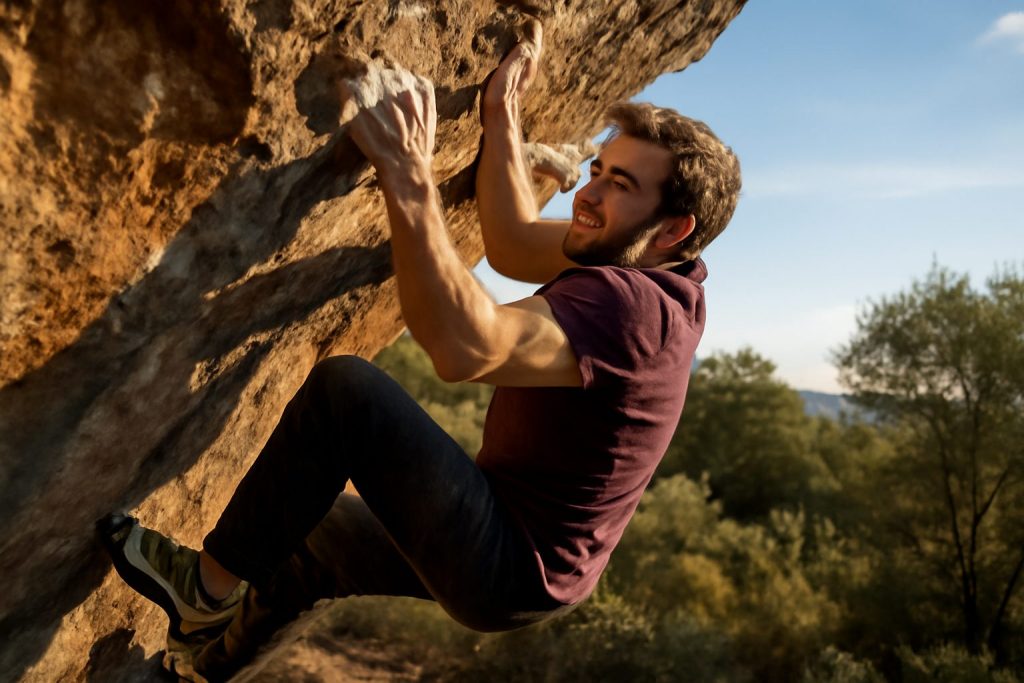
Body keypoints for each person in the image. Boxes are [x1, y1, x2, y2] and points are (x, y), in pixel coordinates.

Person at [100, 21, 740, 682]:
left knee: (349, 397)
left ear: (675, 229)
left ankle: (201, 594)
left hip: (508, 562)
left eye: (620, 185)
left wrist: (407, 172)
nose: (589, 192)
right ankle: (196, 671)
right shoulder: (646, 259)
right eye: (599, 170)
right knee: (314, 544)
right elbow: (515, 242)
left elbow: (466, 349)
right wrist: (500, 117)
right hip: (529, 552)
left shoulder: (636, 310)